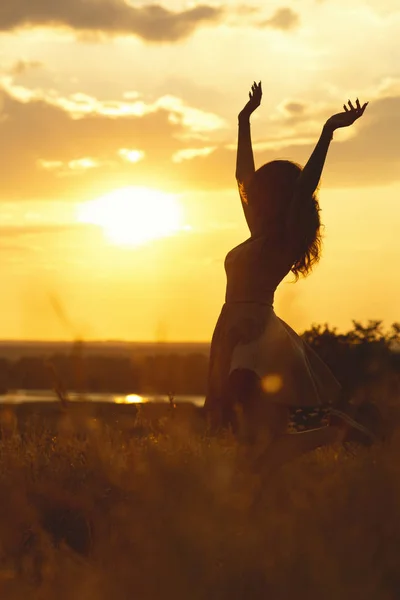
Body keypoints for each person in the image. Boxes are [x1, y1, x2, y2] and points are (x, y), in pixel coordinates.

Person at [204, 81, 373, 471]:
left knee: (251, 430)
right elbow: (241, 178)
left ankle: (333, 433)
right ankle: (336, 432)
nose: (254, 192)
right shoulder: (258, 234)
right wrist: (243, 120)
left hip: (256, 332)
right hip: (233, 324)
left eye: (264, 189)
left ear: (278, 196)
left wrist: (328, 131)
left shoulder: (284, 239)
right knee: (258, 444)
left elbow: (305, 189)